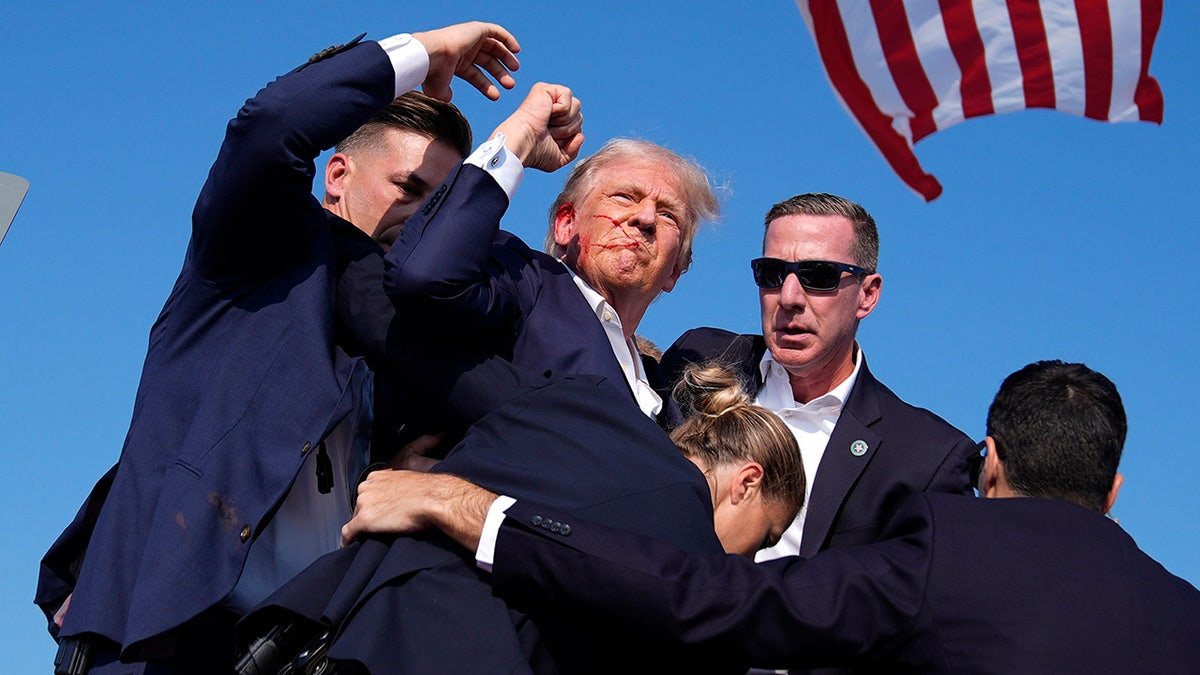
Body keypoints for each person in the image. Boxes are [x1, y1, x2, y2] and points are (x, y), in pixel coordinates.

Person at [36, 22, 583, 675]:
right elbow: (271, 123)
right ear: (338, 175)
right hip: (161, 640)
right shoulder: (254, 255)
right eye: (408, 188)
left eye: (442, 205)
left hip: (294, 652)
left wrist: (515, 155)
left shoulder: (411, 340)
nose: (423, 216)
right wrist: (430, 53)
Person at [349, 359, 1200, 673]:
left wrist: (477, 509)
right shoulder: (1183, 613)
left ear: (990, 462)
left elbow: (715, 601)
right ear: (1115, 489)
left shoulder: (949, 545)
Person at [234, 354, 802, 674]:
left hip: (318, 632)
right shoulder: (693, 566)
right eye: (766, 536)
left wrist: (436, 481)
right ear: (747, 483)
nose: (750, 558)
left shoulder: (580, 402)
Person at [661, 192, 975, 564]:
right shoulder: (699, 355)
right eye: (772, 274)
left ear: (868, 295)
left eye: (818, 276)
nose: (789, 297)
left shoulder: (926, 457)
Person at [383, 135, 720, 428]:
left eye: (668, 214)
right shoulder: (524, 283)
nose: (645, 218)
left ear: (674, 271)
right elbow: (425, 277)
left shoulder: (665, 398)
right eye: (624, 197)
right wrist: (517, 140)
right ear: (566, 225)